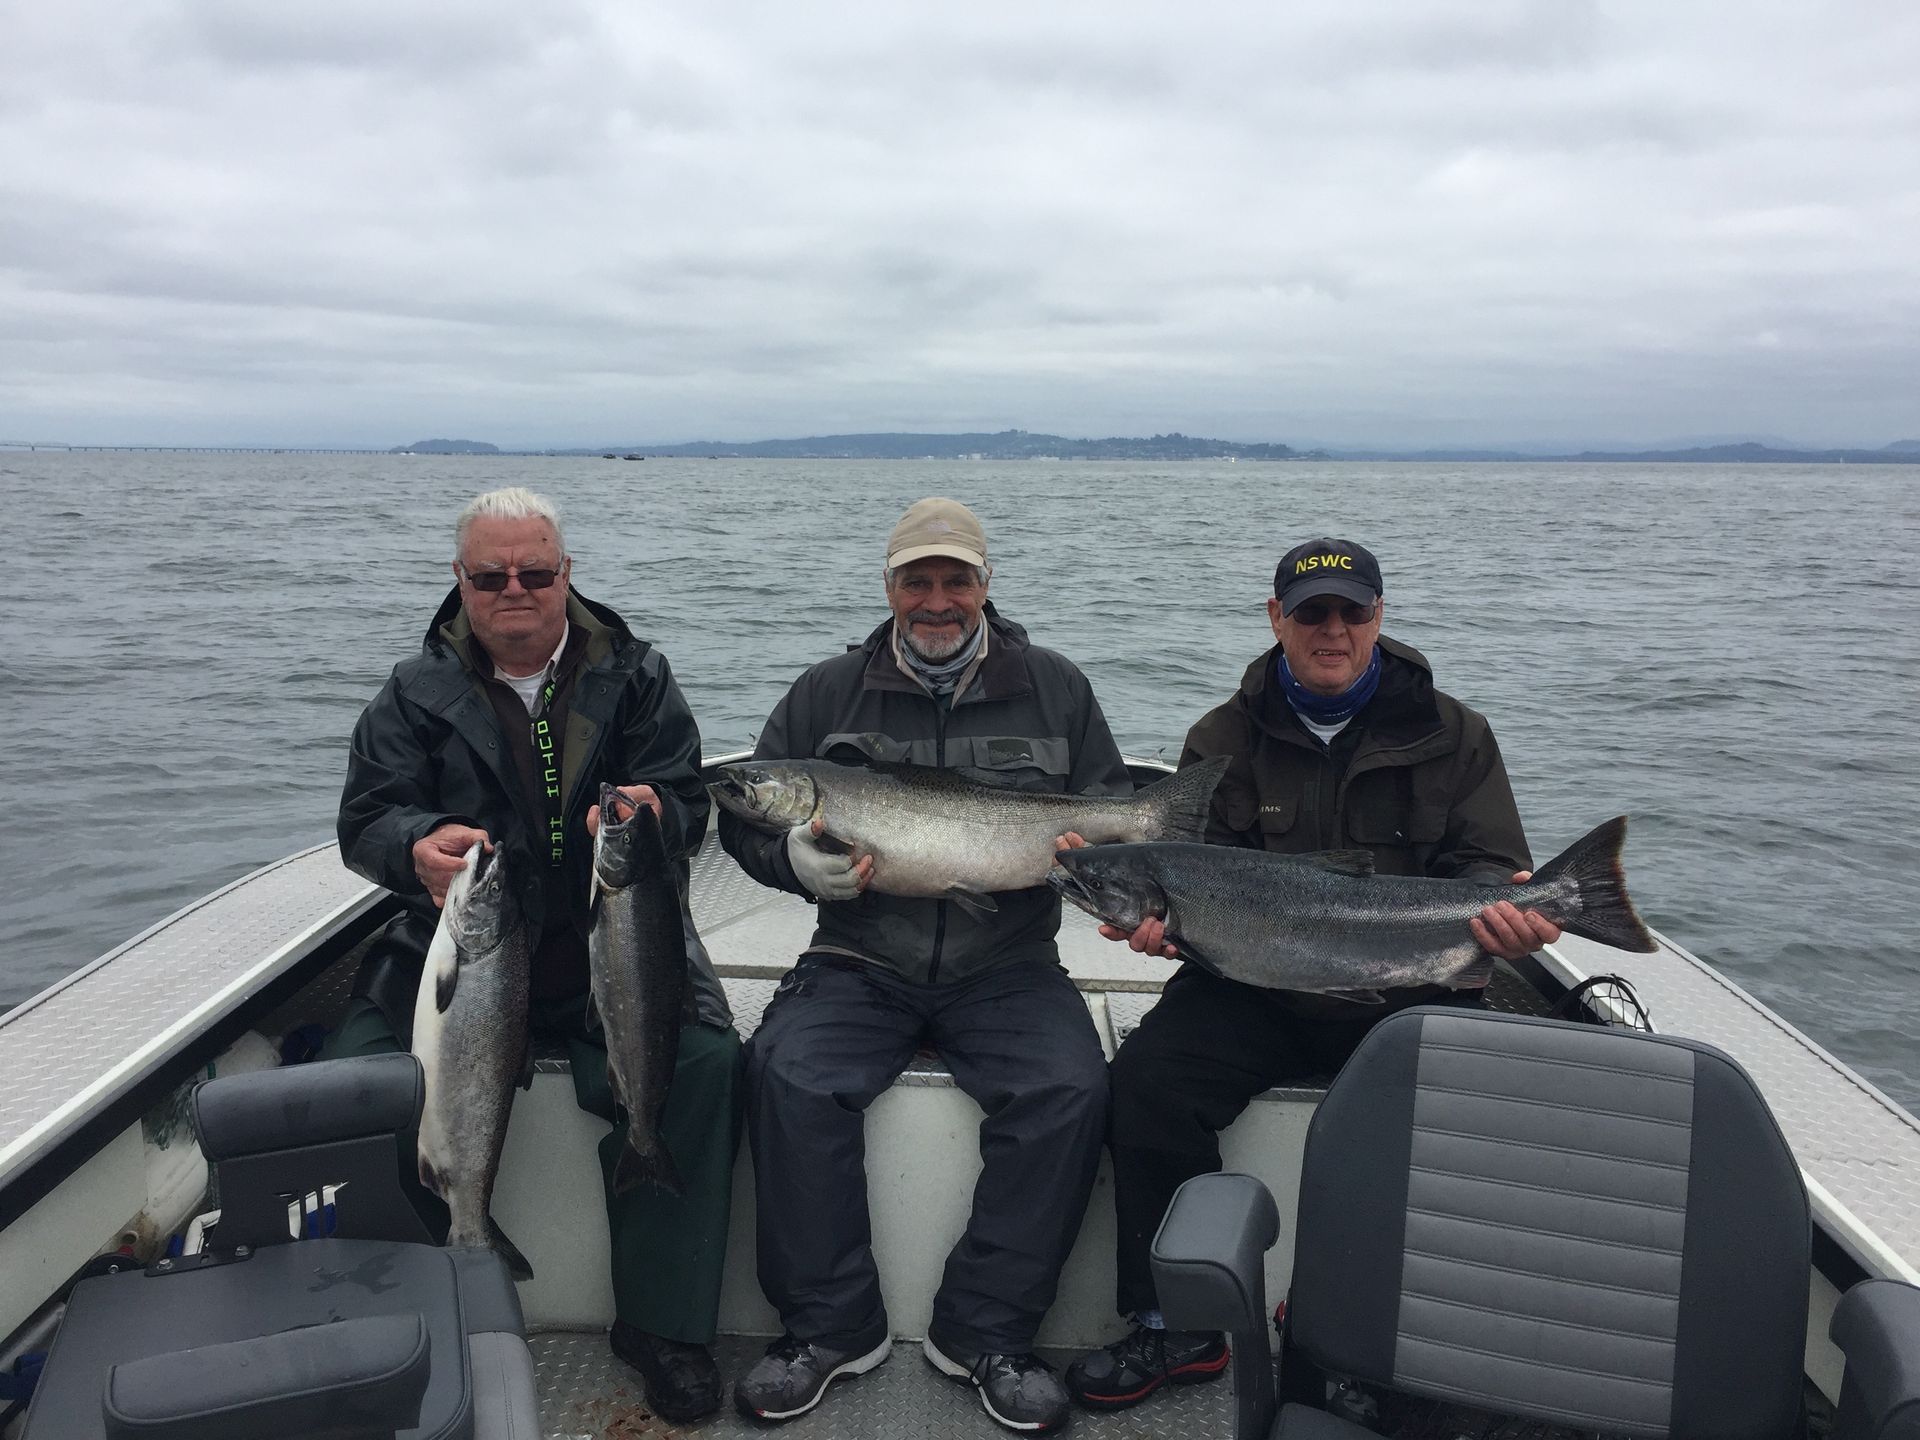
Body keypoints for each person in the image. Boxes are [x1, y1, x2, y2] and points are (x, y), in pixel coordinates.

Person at [1063, 536, 1563, 1413]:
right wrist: (1162, 932)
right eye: (1311, 613)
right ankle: (1175, 1321)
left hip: (1405, 985)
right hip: (1249, 987)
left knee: (1457, 1120)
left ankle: (1371, 1335)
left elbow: (1489, 865)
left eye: (1352, 612)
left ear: (1379, 618)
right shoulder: (1221, 738)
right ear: (1276, 619)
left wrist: (1508, 918)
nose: (1333, 630)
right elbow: (1194, 874)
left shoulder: (1455, 734)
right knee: (1145, 1083)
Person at [332, 487, 742, 1425]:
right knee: (358, 1085)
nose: (514, 589)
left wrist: (657, 813)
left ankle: (663, 1326)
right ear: (461, 582)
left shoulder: (636, 677)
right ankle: (409, 1314)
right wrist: (416, 847)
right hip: (458, 954)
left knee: (706, 1064)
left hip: (613, 945)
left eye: (536, 571)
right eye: (491, 574)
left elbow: (688, 799)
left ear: (567, 576)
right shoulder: (412, 691)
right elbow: (365, 820)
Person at [718, 497, 1124, 1434]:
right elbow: (745, 821)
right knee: (786, 1075)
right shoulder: (826, 693)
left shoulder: (1057, 687)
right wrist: (794, 863)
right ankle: (828, 1331)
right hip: (859, 954)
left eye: (956, 580)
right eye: (917, 581)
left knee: (1069, 1090)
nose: (936, 601)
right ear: (889, 587)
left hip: (1010, 962)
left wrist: (1099, 861)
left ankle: (987, 1335)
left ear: (986, 585)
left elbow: (1109, 809)